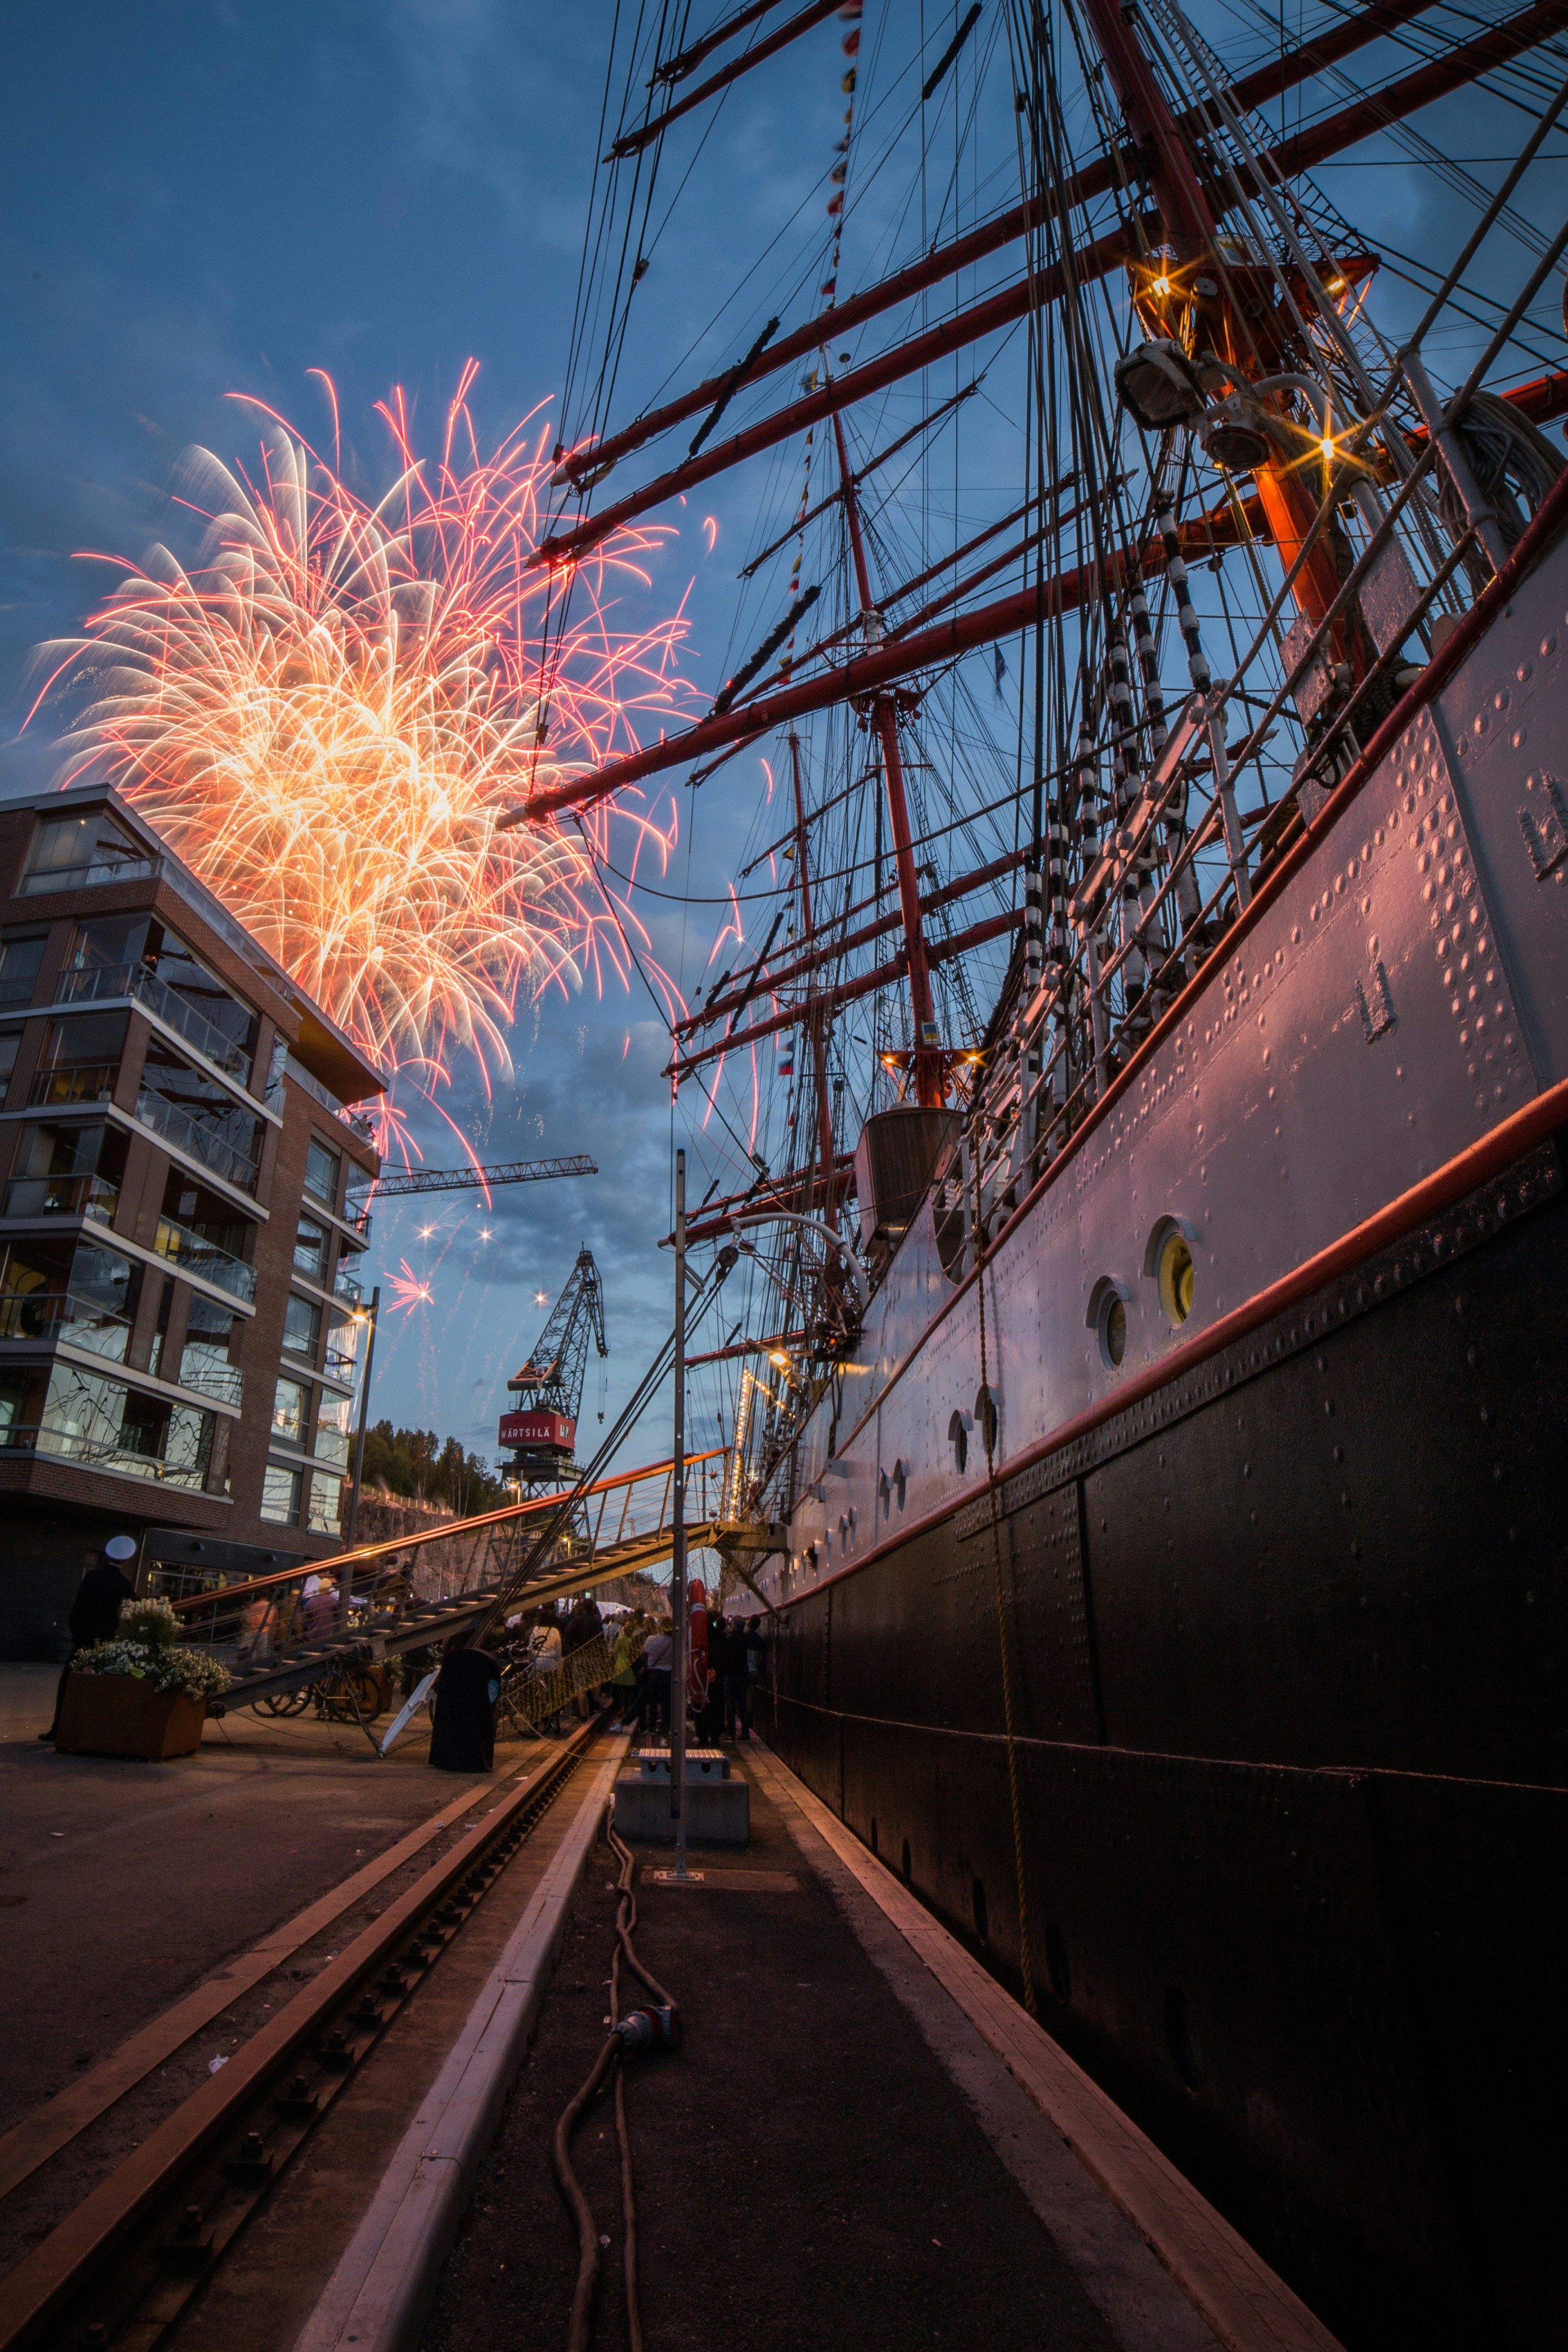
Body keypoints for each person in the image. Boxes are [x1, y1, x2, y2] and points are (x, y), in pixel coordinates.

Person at [41, 1534, 140, 1740]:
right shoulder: (123, 1583)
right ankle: (91, 1730)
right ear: (126, 1560)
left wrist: (76, 1632)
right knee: (100, 1683)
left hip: (83, 1636)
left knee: (68, 1680)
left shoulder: (92, 1577)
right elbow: (137, 1605)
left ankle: (57, 1728)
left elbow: (78, 1607)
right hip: (104, 1638)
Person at [428, 1636, 501, 1772]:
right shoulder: (486, 1663)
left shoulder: (452, 1662)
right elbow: (493, 1696)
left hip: (455, 1705)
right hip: (476, 1715)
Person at [638, 1621, 674, 1741]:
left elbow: (644, 1654)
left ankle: (638, 1725)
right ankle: (664, 1730)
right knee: (666, 1704)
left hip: (653, 1673)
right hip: (668, 1674)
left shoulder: (652, 1639)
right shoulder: (674, 1641)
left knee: (644, 1699)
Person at [723, 1613, 754, 1742]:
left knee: (730, 1705)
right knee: (743, 1705)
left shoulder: (729, 1639)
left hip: (730, 1674)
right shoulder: (746, 1639)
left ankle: (731, 1732)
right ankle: (745, 1732)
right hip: (742, 1674)